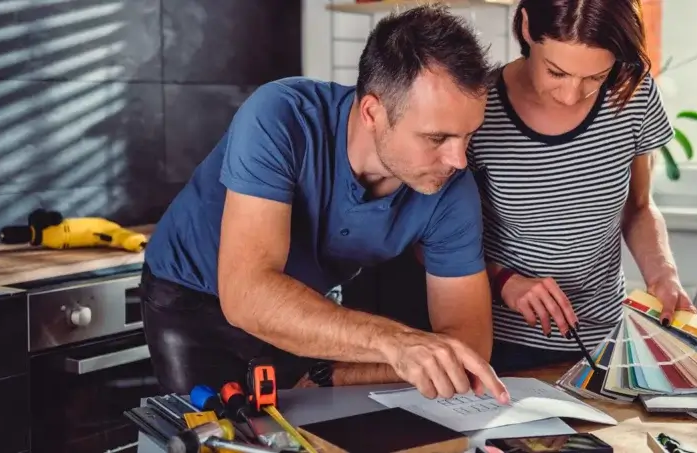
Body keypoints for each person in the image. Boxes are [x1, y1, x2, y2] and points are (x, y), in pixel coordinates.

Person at [139, 5, 509, 404]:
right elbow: (247, 294)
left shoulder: (452, 188)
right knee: (214, 436)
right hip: (191, 296)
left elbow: (468, 346)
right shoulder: (279, 116)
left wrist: (338, 372)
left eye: (468, 135)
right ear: (373, 112)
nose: (458, 159)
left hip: (302, 307)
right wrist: (394, 342)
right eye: (437, 138)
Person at [468, 0, 696, 373]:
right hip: (501, 345)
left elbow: (638, 207)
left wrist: (663, 274)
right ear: (526, 27)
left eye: (594, 77)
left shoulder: (631, 94)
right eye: (556, 72)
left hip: (603, 341)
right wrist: (506, 282)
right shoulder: (479, 107)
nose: (572, 95)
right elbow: (432, 240)